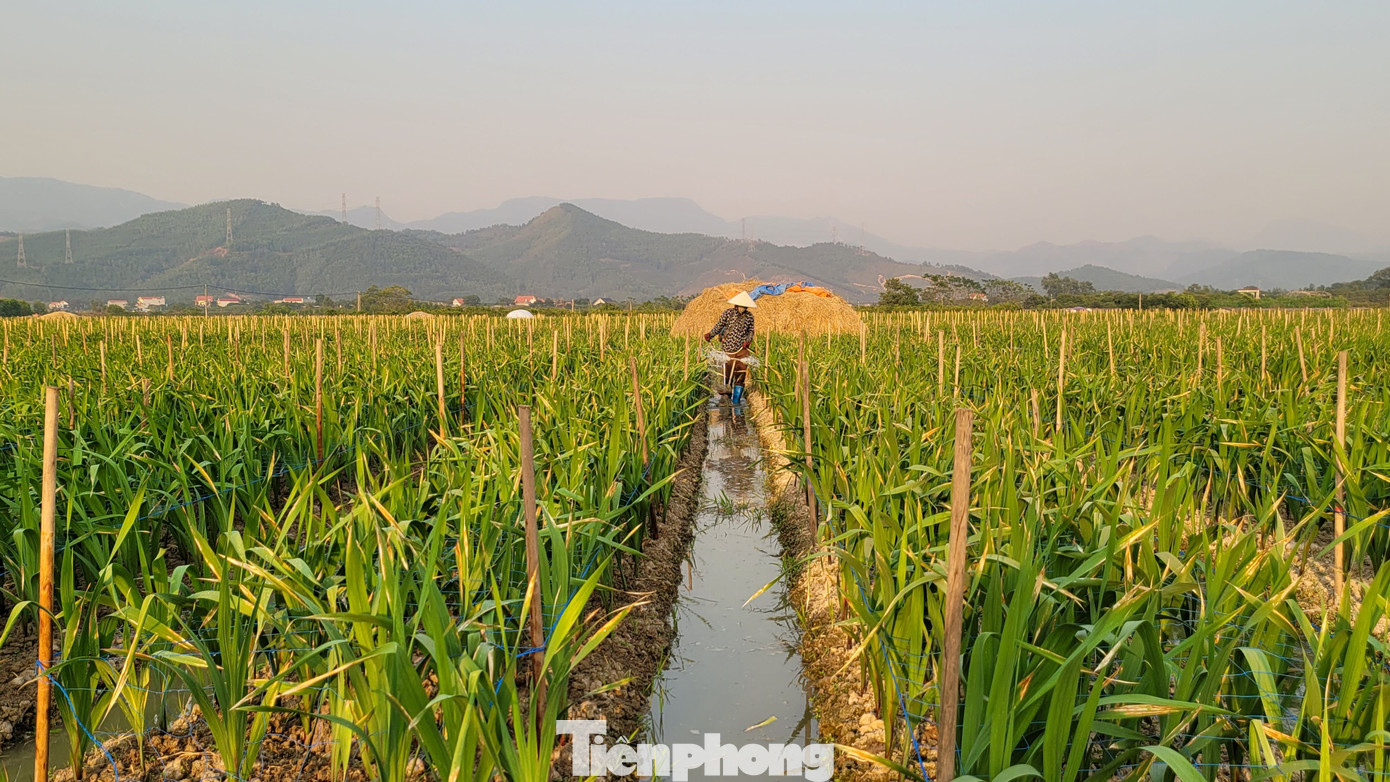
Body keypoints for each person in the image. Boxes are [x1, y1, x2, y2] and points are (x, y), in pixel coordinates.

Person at [703, 291, 757, 404]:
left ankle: (736, 401)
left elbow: (751, 331)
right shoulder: (728, 313)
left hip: (742, 349)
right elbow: (719, 326)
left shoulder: (749, 316)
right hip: (728, 348)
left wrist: (748, 340)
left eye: (745, 306)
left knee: (740, 374)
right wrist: (711, 334)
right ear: (736, 305)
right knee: (727, 375)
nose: (743, 308)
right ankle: (726, 396)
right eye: (741, 306)